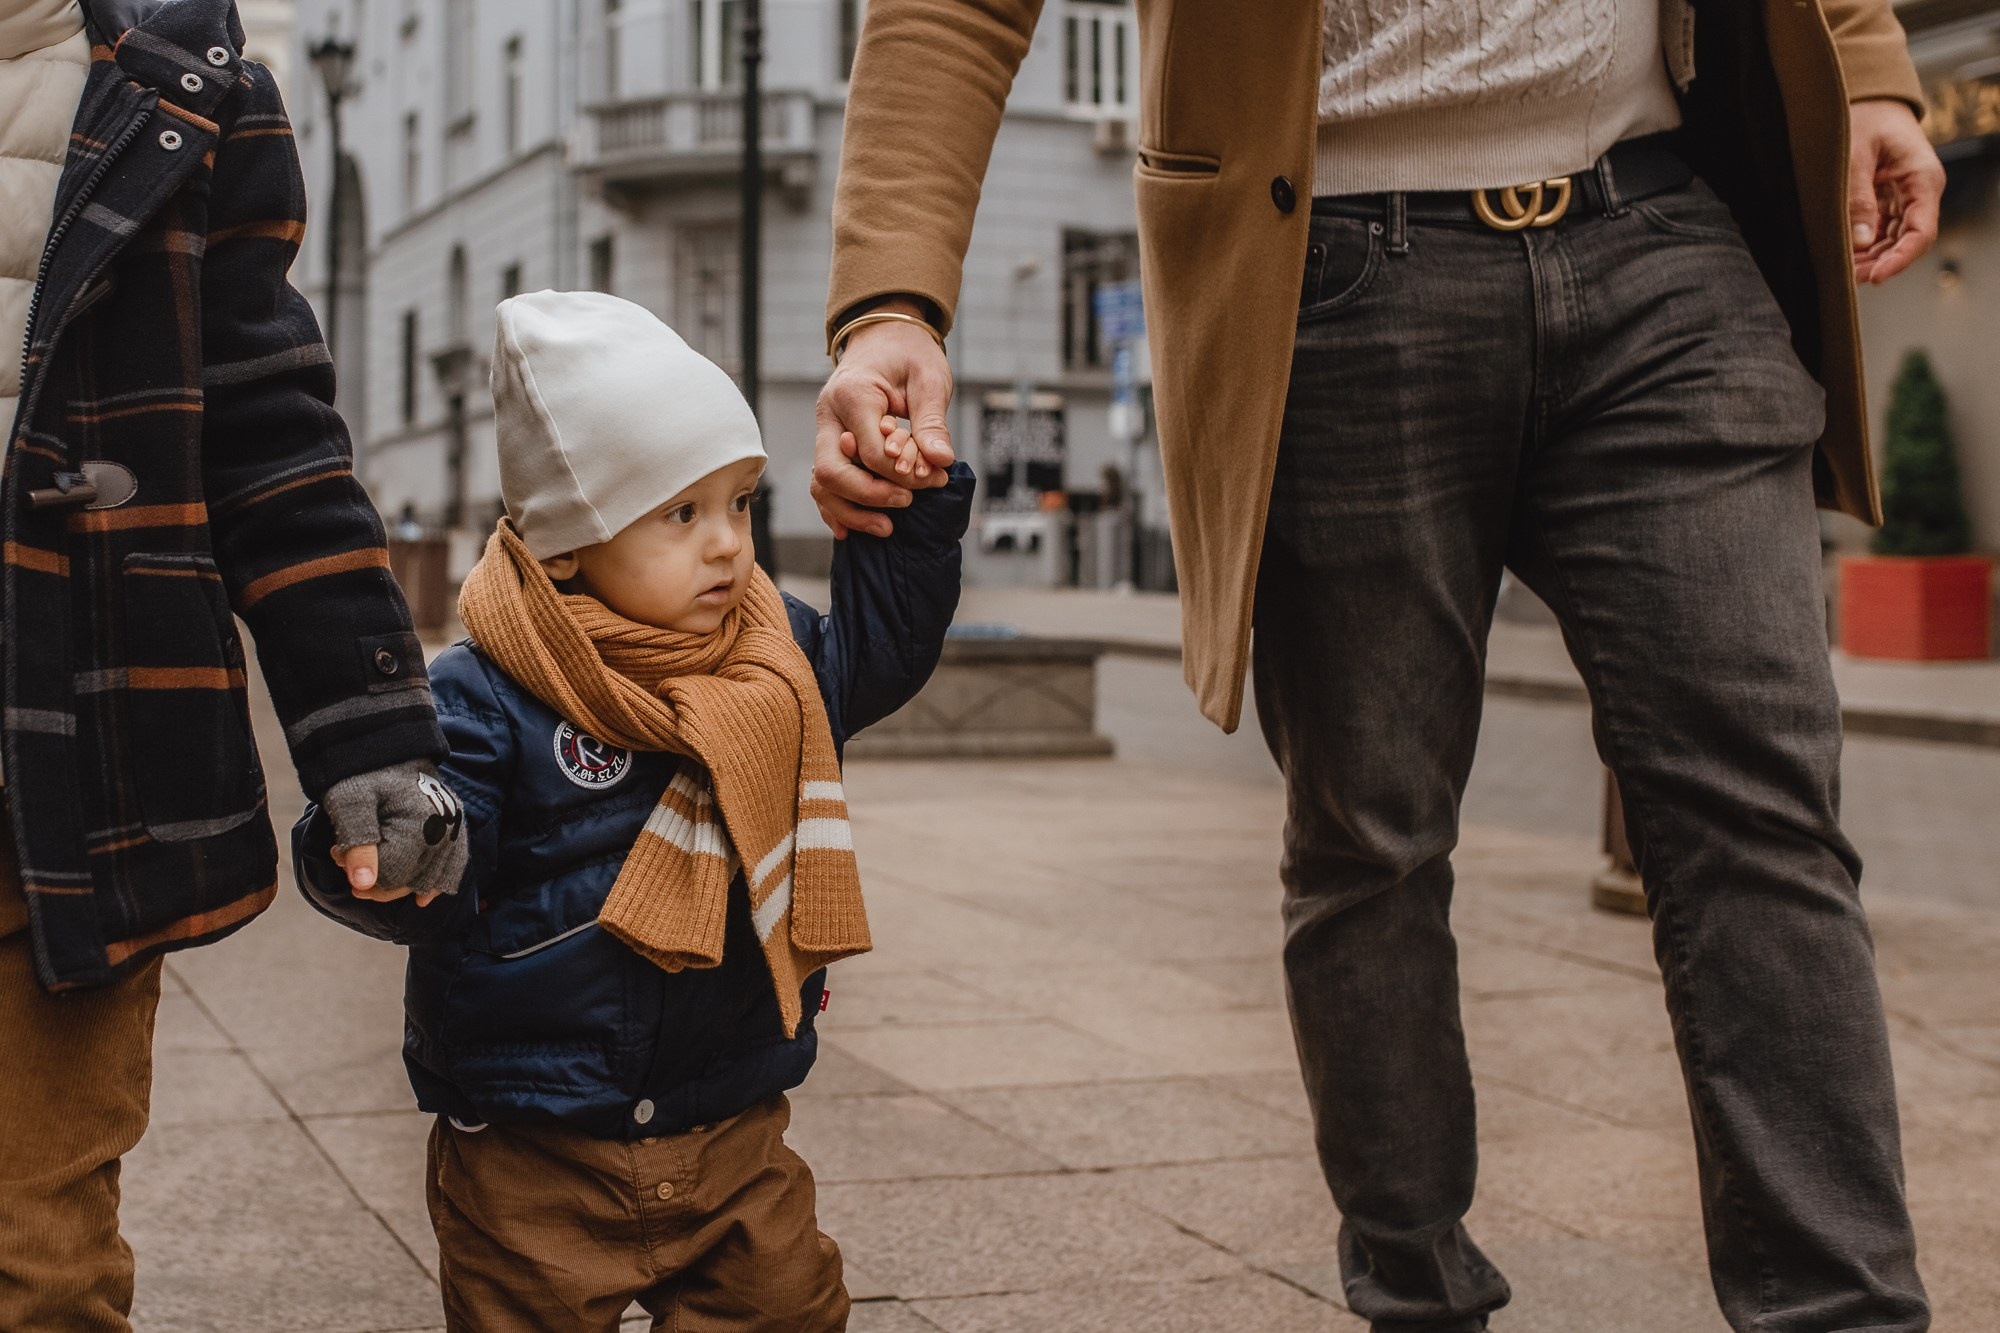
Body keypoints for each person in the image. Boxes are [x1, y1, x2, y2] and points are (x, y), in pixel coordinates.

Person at [814, 3, 1946, 1330]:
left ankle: (1844, 1314)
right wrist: (893, 295)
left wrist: (1865, 64)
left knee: (1765, 814)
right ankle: (1417, 1291)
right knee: (1372, 836)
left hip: (1663, 229)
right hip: (1337, 265)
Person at [293, 291, 973, 1332]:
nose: (726, 547)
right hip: (532, 1147)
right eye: (680, 513)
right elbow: (431, 873)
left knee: (789, 1309)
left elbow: (874, 654)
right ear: (569, 542)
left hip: (730, 1124)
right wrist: (394, 835)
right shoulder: (488, 690)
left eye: (740, 503)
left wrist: (911, 513)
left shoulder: (768, 652)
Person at [0, 1, 462, 1328]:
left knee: (36, 1256)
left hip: (64, 783)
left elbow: (273, 441)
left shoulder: (179, 91)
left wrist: (372, 731)